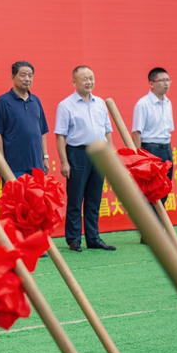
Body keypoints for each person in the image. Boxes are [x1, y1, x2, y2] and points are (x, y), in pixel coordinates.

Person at [55, 65, 115, 252]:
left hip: (99, 154)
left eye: (91, 78)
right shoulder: (65, 105)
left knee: (94, 199)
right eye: (84, 79)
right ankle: (74, 239)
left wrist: (109, 155)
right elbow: (60, 136)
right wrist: (64, 162)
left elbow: (107, 131)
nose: (89, 82)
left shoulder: (100, 103)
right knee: (75, 198)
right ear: (74, 82)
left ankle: (93, 238)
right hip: (78, 154)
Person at [0, 61, 50, 179]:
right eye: (23, 75)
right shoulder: (3, 101)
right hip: (13, 167)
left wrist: (45, 157)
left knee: (37, 192)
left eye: (30, 75)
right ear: (12, 77)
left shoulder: (36, 101)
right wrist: (0, 162)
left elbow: (42, 131)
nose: (27, 79)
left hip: (36, 166)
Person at [132, 67, 175, 215]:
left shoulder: (168, 102)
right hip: (150, 150)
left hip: (166, 148)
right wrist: (139, 159)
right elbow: (136, 132)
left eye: (168, 80)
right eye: (162, 80)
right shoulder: (143, 104)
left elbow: (168, 130)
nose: (166, 83)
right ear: (151, 83)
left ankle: (159, 224)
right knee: (151, 192)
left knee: (164, 188)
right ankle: (149, 226)